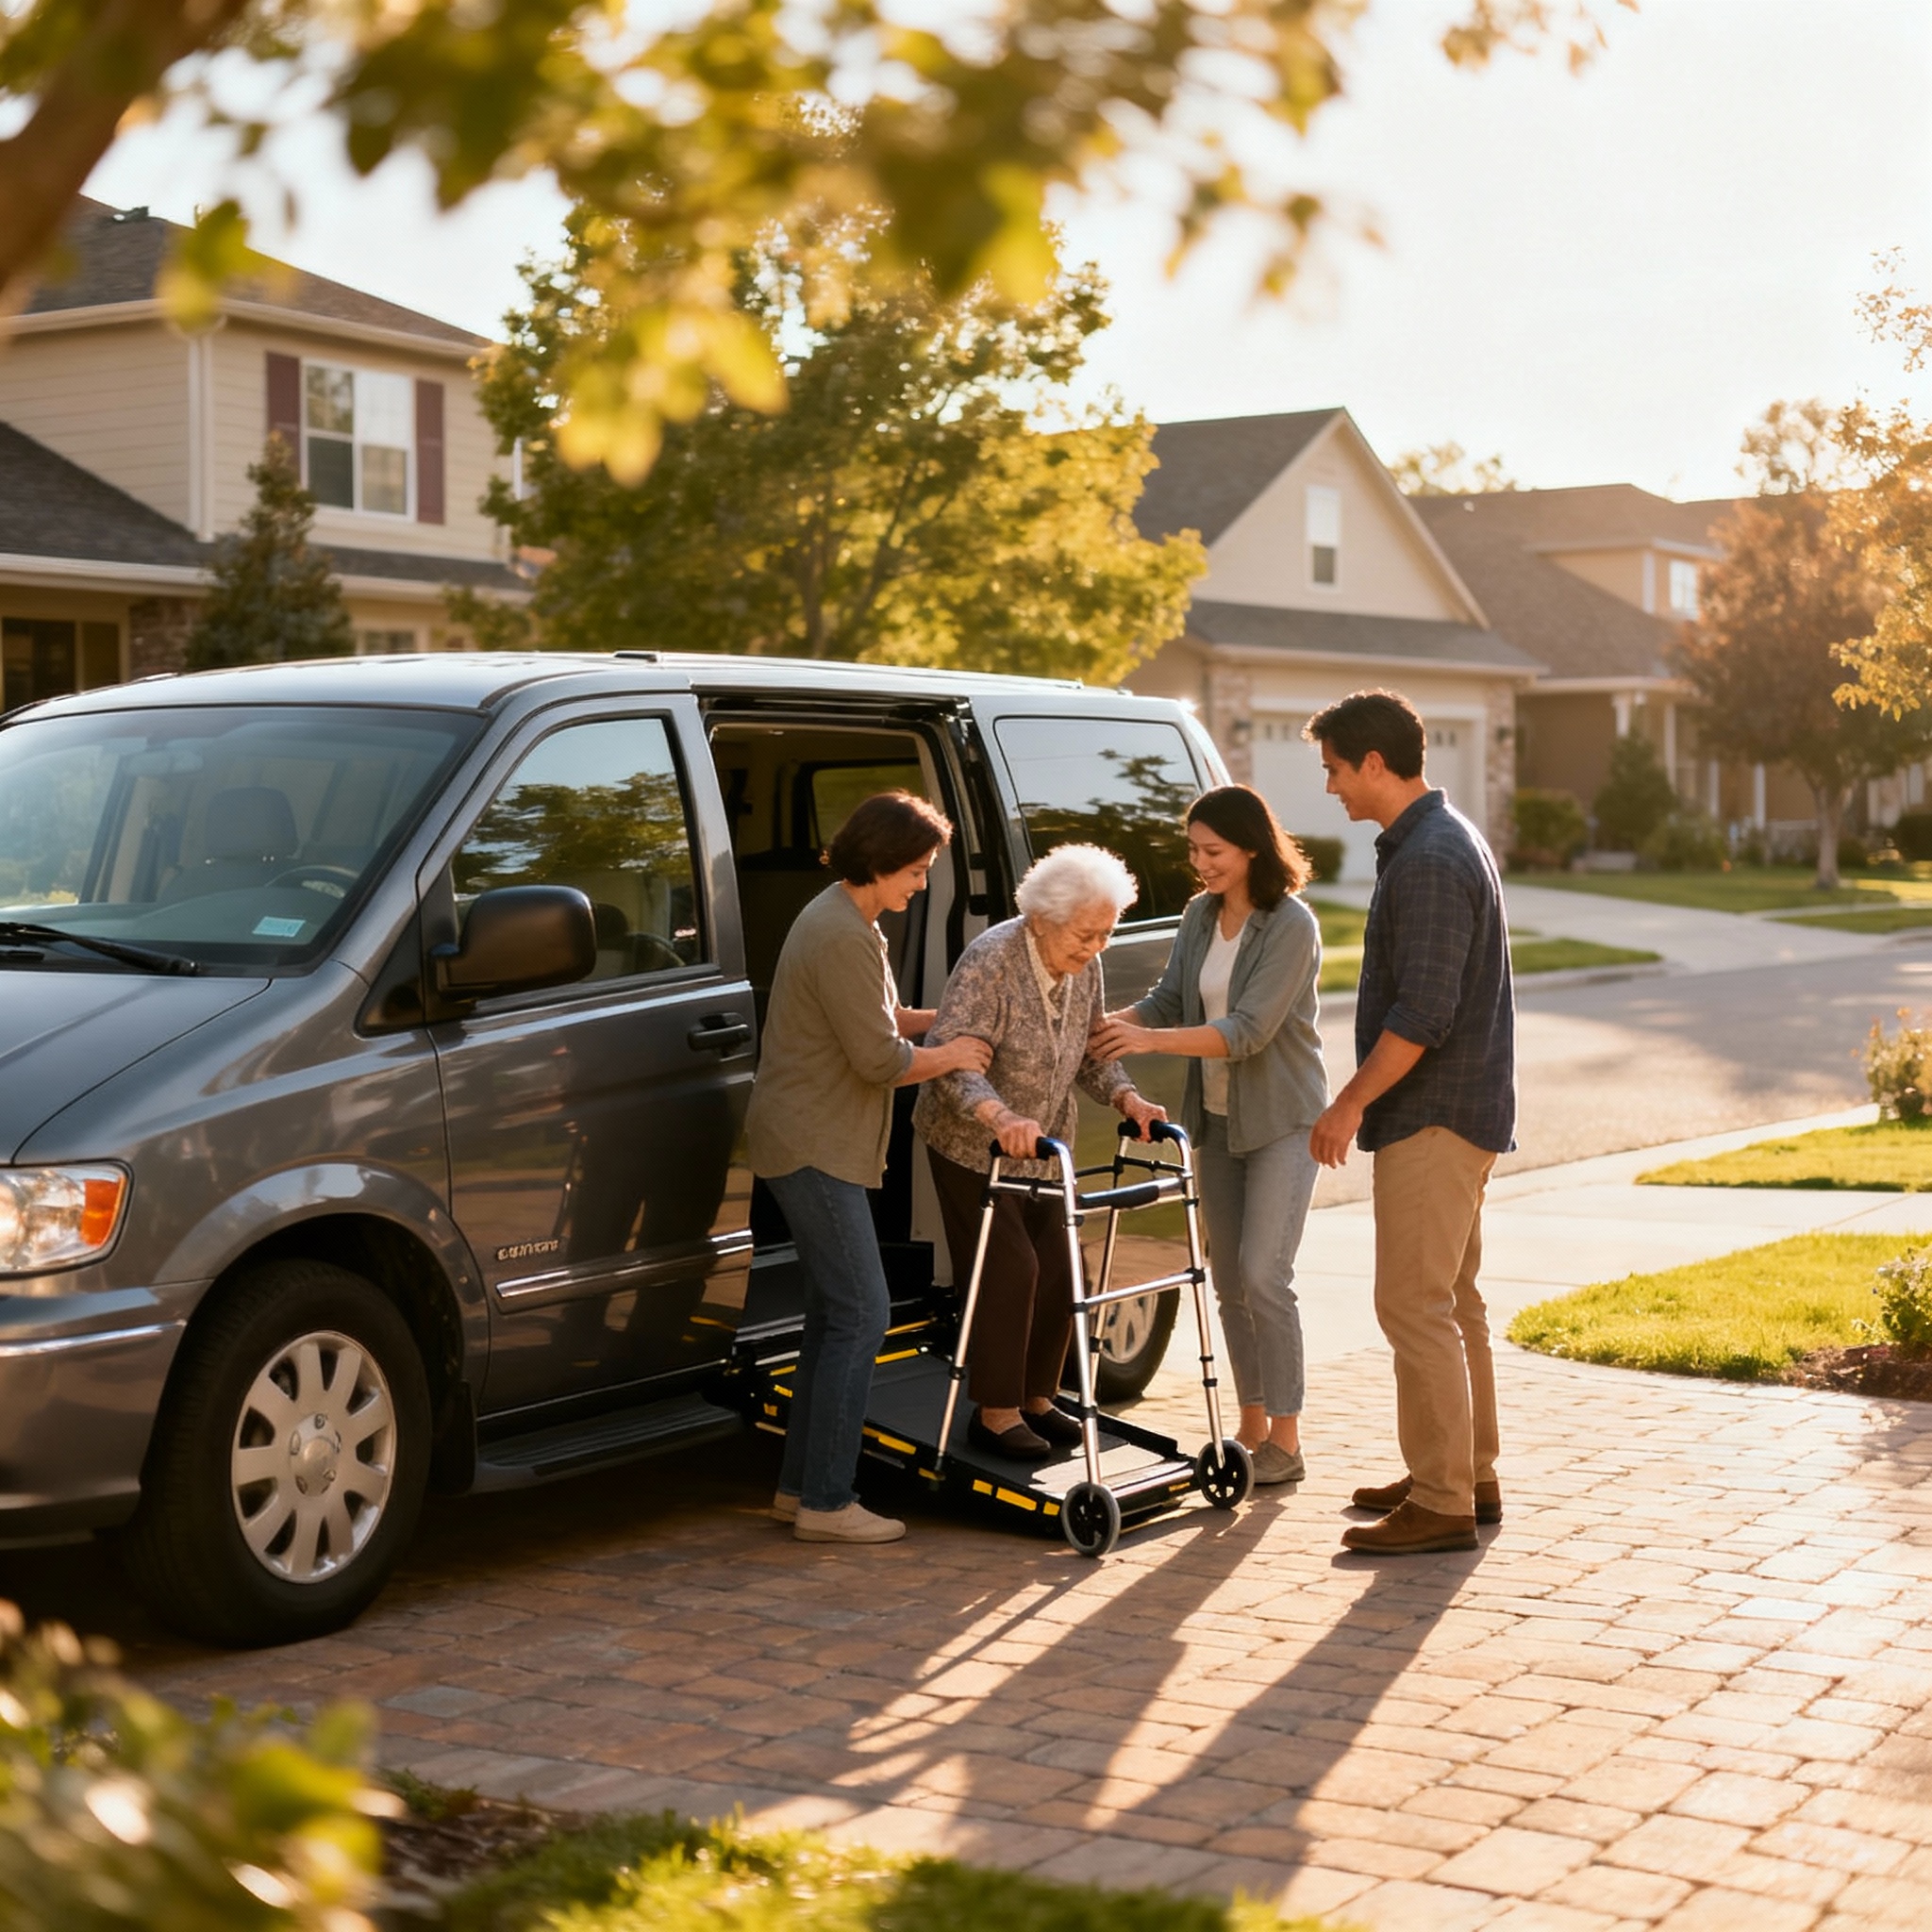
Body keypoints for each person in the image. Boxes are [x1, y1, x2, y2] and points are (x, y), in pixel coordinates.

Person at [747, 791, 993, 1545]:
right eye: (916, 871)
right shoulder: (842, 935)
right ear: (882, 862)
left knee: (834, 1317)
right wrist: (954, 1054)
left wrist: (951, 1022)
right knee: (864, 1313)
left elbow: (881, 1021)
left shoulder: (846, 919)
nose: (921, 885)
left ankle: (800, 1490)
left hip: (810, 1139)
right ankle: (828, 1502)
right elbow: (882, 1059)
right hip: (813, 1145)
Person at [1304, 690, 1515, 1557]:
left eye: (1335, 770)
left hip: (1433, 1117)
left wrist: (1348, 1102)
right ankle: (1466, 1473)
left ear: (1375, 763)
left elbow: (1423, 1012)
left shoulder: (1429, 857)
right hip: (1462, 1113)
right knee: (1455, 1303)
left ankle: (1440, 1499)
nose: (1330, 788)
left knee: (1412, 1304)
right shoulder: (1440, 839)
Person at [1090, 786, 1325, 1487]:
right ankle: (1251, 1430)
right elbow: (1169, 999)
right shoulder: (1199, 915)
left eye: (1213, 851)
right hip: (1216, 1122)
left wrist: (1149, 1040)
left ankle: (1287, 1438)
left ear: (1252, 847)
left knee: (1263, 1276)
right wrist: (1102, 1025)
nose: (1201, 864)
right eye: (1193, 850)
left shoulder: (1291, 925)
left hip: (1282, 1119)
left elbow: (1248, 1032)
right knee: (1228, 1282)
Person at [914, 845, 1168, 1458]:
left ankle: (1037, 1398)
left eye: (1106, 933)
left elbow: (1088, 1051)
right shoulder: (991, 961)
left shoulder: (1084, 965)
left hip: (1047, 1147)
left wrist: (1129, 1099)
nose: (1096, 947)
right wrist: (999, 1116)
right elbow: (953, 1060)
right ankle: (994, 1413)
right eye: (1086, 934)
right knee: (1010, 1269)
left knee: (1060, 1267)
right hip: (973, 1145)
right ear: (1042, 919)